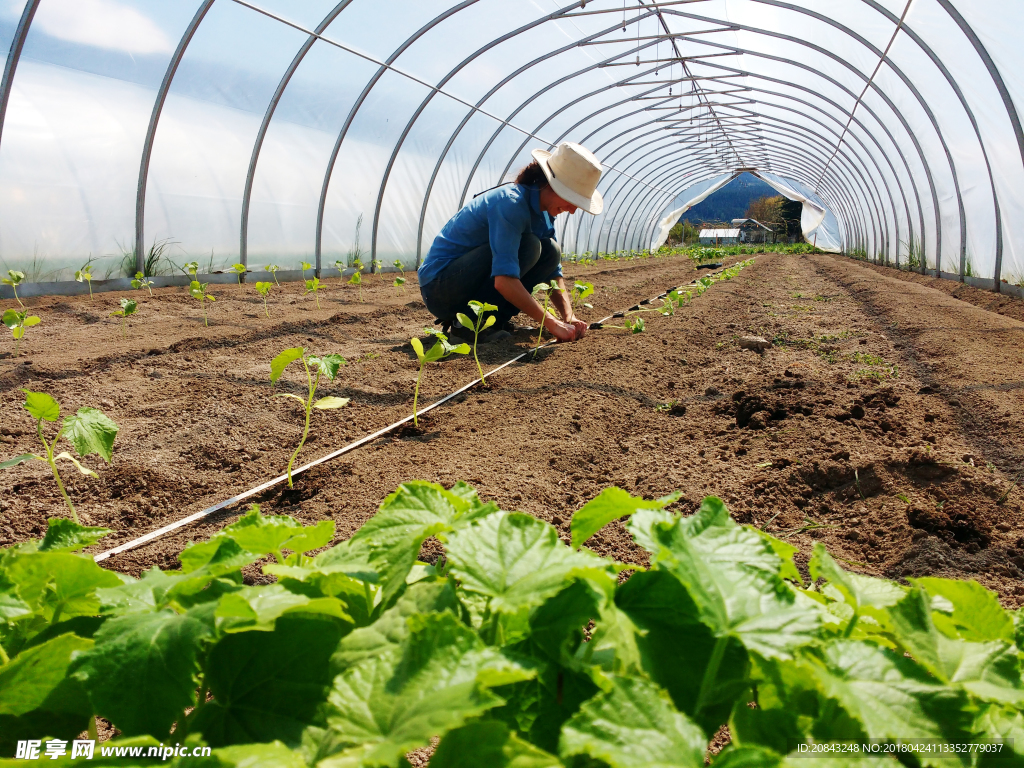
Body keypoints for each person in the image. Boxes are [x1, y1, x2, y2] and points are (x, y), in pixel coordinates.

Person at [418, 141, 604, 344]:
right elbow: (504, 280)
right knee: (531, 246)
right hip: (440, 288)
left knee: (550, 251)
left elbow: (553, 274)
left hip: (463, 282)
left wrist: (568, 317)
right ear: (552, 185)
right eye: (572, 199)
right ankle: (466, 326)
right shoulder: (511, 204)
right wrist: (551, 323)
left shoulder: (544, 212)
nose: (573, 210)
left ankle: (493, 322)